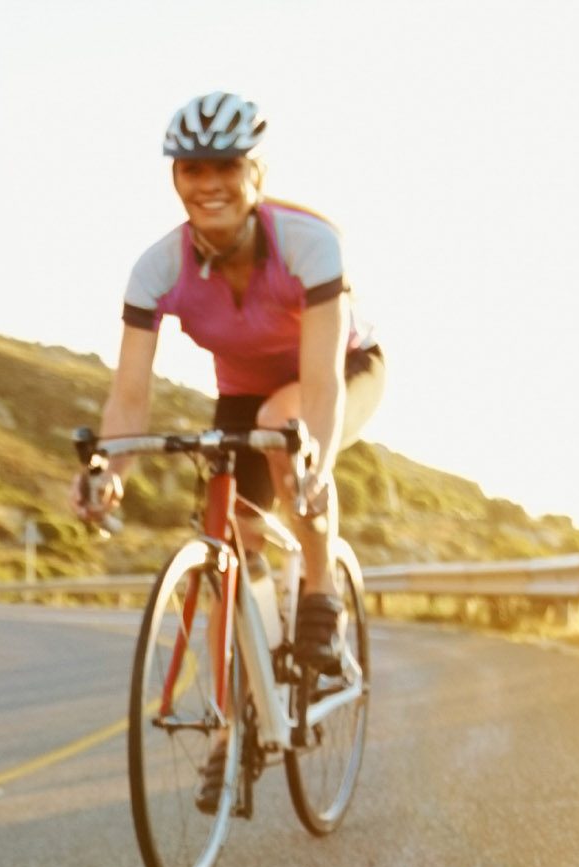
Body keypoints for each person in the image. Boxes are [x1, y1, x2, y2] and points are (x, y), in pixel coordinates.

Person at [75, 89, 385, 675]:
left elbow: (319, 388)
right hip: (244, 391)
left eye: (228, 166)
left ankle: (321, 594)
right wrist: (108, 473)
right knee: (234, 533)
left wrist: (311, 471)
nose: (209, 183)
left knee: (285, 433)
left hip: (340, 368)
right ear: (175, 177)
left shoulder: (310, 243)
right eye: (193, 169)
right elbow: (130, 396)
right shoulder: (157, 268)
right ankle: (246, 700)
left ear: (255, 172)